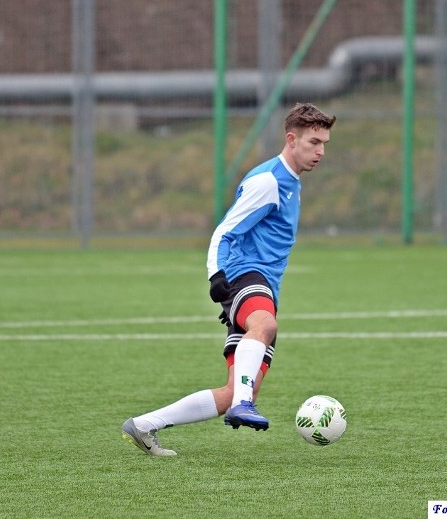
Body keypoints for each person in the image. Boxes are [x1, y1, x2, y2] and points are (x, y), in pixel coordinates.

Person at [122, 103, 336, 456]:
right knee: (265, 325)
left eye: (325, 143)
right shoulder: (268, 181)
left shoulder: (292, 182)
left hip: (262, 284)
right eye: (314, 142)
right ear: (291, 139)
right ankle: (242, 405)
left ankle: (144, 425)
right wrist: (216, 276)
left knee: (238, 390)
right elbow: (225, 231)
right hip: (244, 273)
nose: (321, 152)